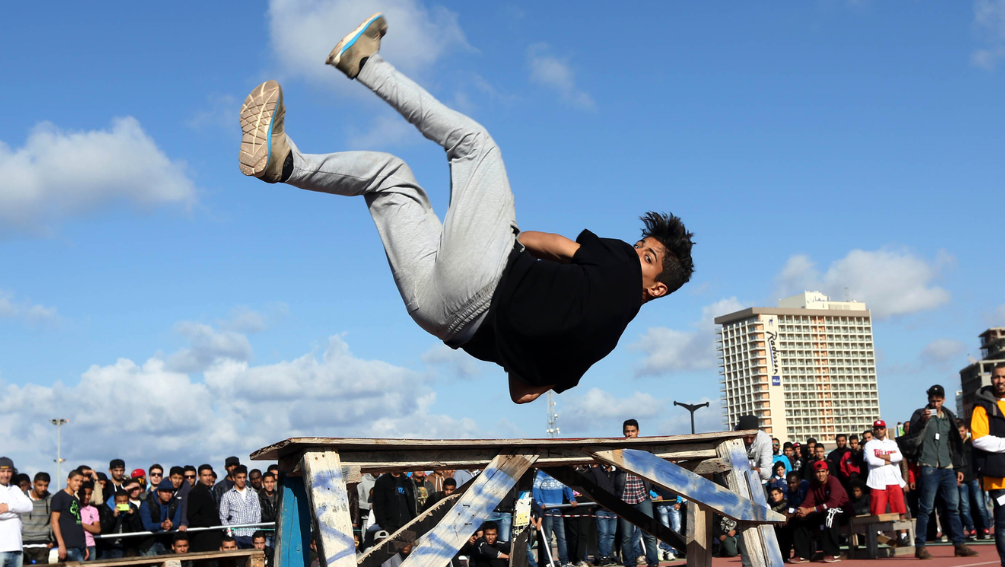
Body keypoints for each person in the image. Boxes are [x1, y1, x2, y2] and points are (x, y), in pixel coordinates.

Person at [238, 13, 695, 405]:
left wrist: (503, 236)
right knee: (386, 176)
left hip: (486, 276)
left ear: (655, 289)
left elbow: (551, 244)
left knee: (475, 146)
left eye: (647, 256)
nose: (636, 250)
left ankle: (363, 63)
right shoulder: (597, 350)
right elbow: (522, 393)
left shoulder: (618, 267)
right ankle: (286, 163)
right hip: (438, 318)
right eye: (641, 246)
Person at [902, 384, 977, 559]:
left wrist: (958, 467)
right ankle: (920, 547)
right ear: (928, 400)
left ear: (943, 400)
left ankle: (959, 544)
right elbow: (911, 434)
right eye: (932, 401)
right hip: (928, 466)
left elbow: (954, 443)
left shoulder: (949, 416)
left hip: (947, 467)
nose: (935, 404)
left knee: (953, 508)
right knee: (926, 508)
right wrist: (922, 421)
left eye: (938, 401)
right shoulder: (920, 414)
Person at [971, 362, 1005, 565]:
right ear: (991, 379)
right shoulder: (982, 404)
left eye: (1004, 377)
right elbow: (978, 439)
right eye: (997, 377)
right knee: (1003, 524)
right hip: (997, 476)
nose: (1000, 381)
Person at [791, 461, 848, 564]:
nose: (820, 474)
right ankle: (803, 555)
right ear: (814, 473)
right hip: (823, 511)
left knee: (829, 513)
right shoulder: (813, 484)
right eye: (818, 472)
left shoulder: (833, 481)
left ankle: (833, 553)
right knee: (799, 518)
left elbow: (832, 503)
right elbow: (808, 501)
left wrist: (809, 510)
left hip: (841, 511)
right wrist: (801, 510)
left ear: (827, 472)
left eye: (823, 471)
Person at [532, 469, 575, 567]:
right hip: (547, 510)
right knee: (547, 539)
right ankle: (548, 562)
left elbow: (566, 487)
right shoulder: (542, 472)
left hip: (558, 510)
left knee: (562, 538)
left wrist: (571, 498)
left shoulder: (560, 473)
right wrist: (538, 502)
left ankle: (564, 562)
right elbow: (536, 488)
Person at [957, 422, 990, 540]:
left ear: (966, 430)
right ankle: (971, 529)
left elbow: (979, 460)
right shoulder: (954, 444)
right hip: (961, 480)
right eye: (958, 431)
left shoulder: (973, 443)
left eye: (962, 431)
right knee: (965, 507)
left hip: (974, 478)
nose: (960, 433)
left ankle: (986, 528)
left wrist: (980, 477)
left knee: (980, 505)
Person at [0, 457, 34, 567]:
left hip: (17, 548)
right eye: (2, 471)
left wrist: (8, 507)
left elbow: (29, 506)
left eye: (9, 471)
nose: (6, 475)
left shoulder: (15, 489)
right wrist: (18, 510)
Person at [219, 466, 261, 548]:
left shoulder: (253, 494)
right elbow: (223, 517)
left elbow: (258, 514)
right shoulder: (227, 496)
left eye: (244, 477)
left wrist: (256, 531)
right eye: (239, 477)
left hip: (252, 535)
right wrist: (229, 532)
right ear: (233, 478)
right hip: (236, 536)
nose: (242, 480)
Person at [140, 479, 184, 556]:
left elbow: (177, 521)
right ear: (158, 492)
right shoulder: (147, 503)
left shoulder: (176, 502)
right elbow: (147, 525)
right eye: (165, 491)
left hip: (168, 542)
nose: (168, 494)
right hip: (149, 543)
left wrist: (171, 525)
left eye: (170, 491)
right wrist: (162, 525)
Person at [51, 470, 87, 562]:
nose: (79, 483)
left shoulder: (75, 499)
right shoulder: (60, 497)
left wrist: (84, 545)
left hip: (80, 544)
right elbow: (54, 521)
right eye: (76, 480)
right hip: (69, 545)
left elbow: (77, 521)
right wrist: (61, 544)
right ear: (68, 480)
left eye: (81, 481)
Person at [187, 465, 223, 553]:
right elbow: (191, 516)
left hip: (213, 535)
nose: (208, 478)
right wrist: (209, 523)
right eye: (205, 475)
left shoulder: (210, 491)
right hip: (203, 538)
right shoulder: (195, 493)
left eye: (210, 475)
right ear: (199, 477)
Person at [98, 490, 143, 559]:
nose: (122, 504)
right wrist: (114, 516)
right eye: (119, 501)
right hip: (106, 544)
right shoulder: (107, 508)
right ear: (115, 501)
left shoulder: (133, 508)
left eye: (125, 501)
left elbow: (137, 529)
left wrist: (131, 516)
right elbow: (104, 529)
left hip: (122, 544)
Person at [21, 472, 52, 565]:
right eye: (40, 485)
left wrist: (53, 542)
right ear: (33, 483)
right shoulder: (21, 497)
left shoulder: (51, 498)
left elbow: (54, 521)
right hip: (23, 544)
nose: (43, 488)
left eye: (46, 485)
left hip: (43, 545)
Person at [589, 464, 617, 566]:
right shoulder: (596, 471)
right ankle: (603, 556)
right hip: (600, 508)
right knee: (603, 533)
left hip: (614, 509)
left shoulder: (616, 472)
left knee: (611, 533)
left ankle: (608, 555)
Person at [79, 483, 101, 561]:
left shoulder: (94, 510)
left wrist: (81, 524)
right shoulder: (75, 509)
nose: (87, 497)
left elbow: (97, 529)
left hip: (90, 544)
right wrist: (90, 527)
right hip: (78, 545)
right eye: (84, 494)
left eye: (89, 494)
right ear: (78, 494)